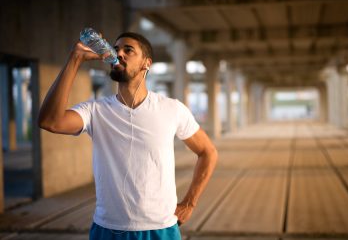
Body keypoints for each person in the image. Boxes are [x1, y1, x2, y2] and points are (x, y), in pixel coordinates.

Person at [38, 32, 218, 240]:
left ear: (146, 63)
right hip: (108, 229)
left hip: (160, 230)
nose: (119, 54)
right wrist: (75, 58)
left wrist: (189, 202)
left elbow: (208, 152)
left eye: (128, 50)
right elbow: (49, 121)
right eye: (116, 50)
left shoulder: (172, 109)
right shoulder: (95, 111)